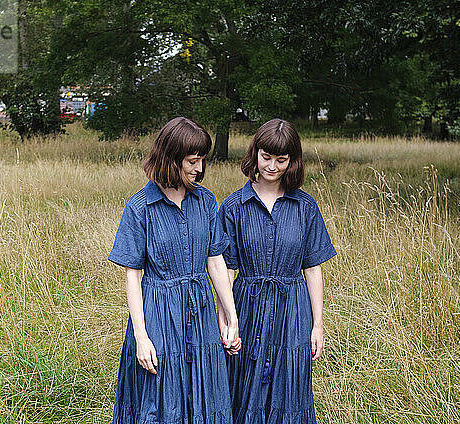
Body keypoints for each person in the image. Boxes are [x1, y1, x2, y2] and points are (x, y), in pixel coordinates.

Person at [108, 117, 241, 424]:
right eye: (192, 161)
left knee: (204, 392)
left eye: (202, 160)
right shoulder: (140, 207)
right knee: (161, 397)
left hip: (200, 309)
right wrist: (141, 336)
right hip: (158, 312)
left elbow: (216, 261)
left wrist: (231, 317)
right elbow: (132, 277)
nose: (199, 168)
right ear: (170, 158)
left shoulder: (206, 201)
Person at [217, 118, 336, 423]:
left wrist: (317, 324)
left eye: (281, 160)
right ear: (255, 154)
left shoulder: (305, 207)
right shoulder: (233, 206)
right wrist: (227, 319)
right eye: (266, 157)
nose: (271, 166)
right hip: (247, 305)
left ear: (292, 161)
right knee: (243, 383)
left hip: (293, 309)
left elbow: (312, 268)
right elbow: (225, 269)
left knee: (290, 385)